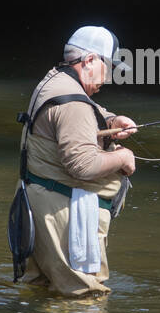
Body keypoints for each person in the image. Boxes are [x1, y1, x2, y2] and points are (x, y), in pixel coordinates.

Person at [17, 26, 138, 296]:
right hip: (66, 220)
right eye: (107, 66)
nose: (107, 78)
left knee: (42, 291)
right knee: (84, 298)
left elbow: (76, 115)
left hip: (40, 207)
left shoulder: (53, 81)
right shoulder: (74, 104)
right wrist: (123, 157)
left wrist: (110, 121)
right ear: (89, 61)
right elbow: (82, 166)